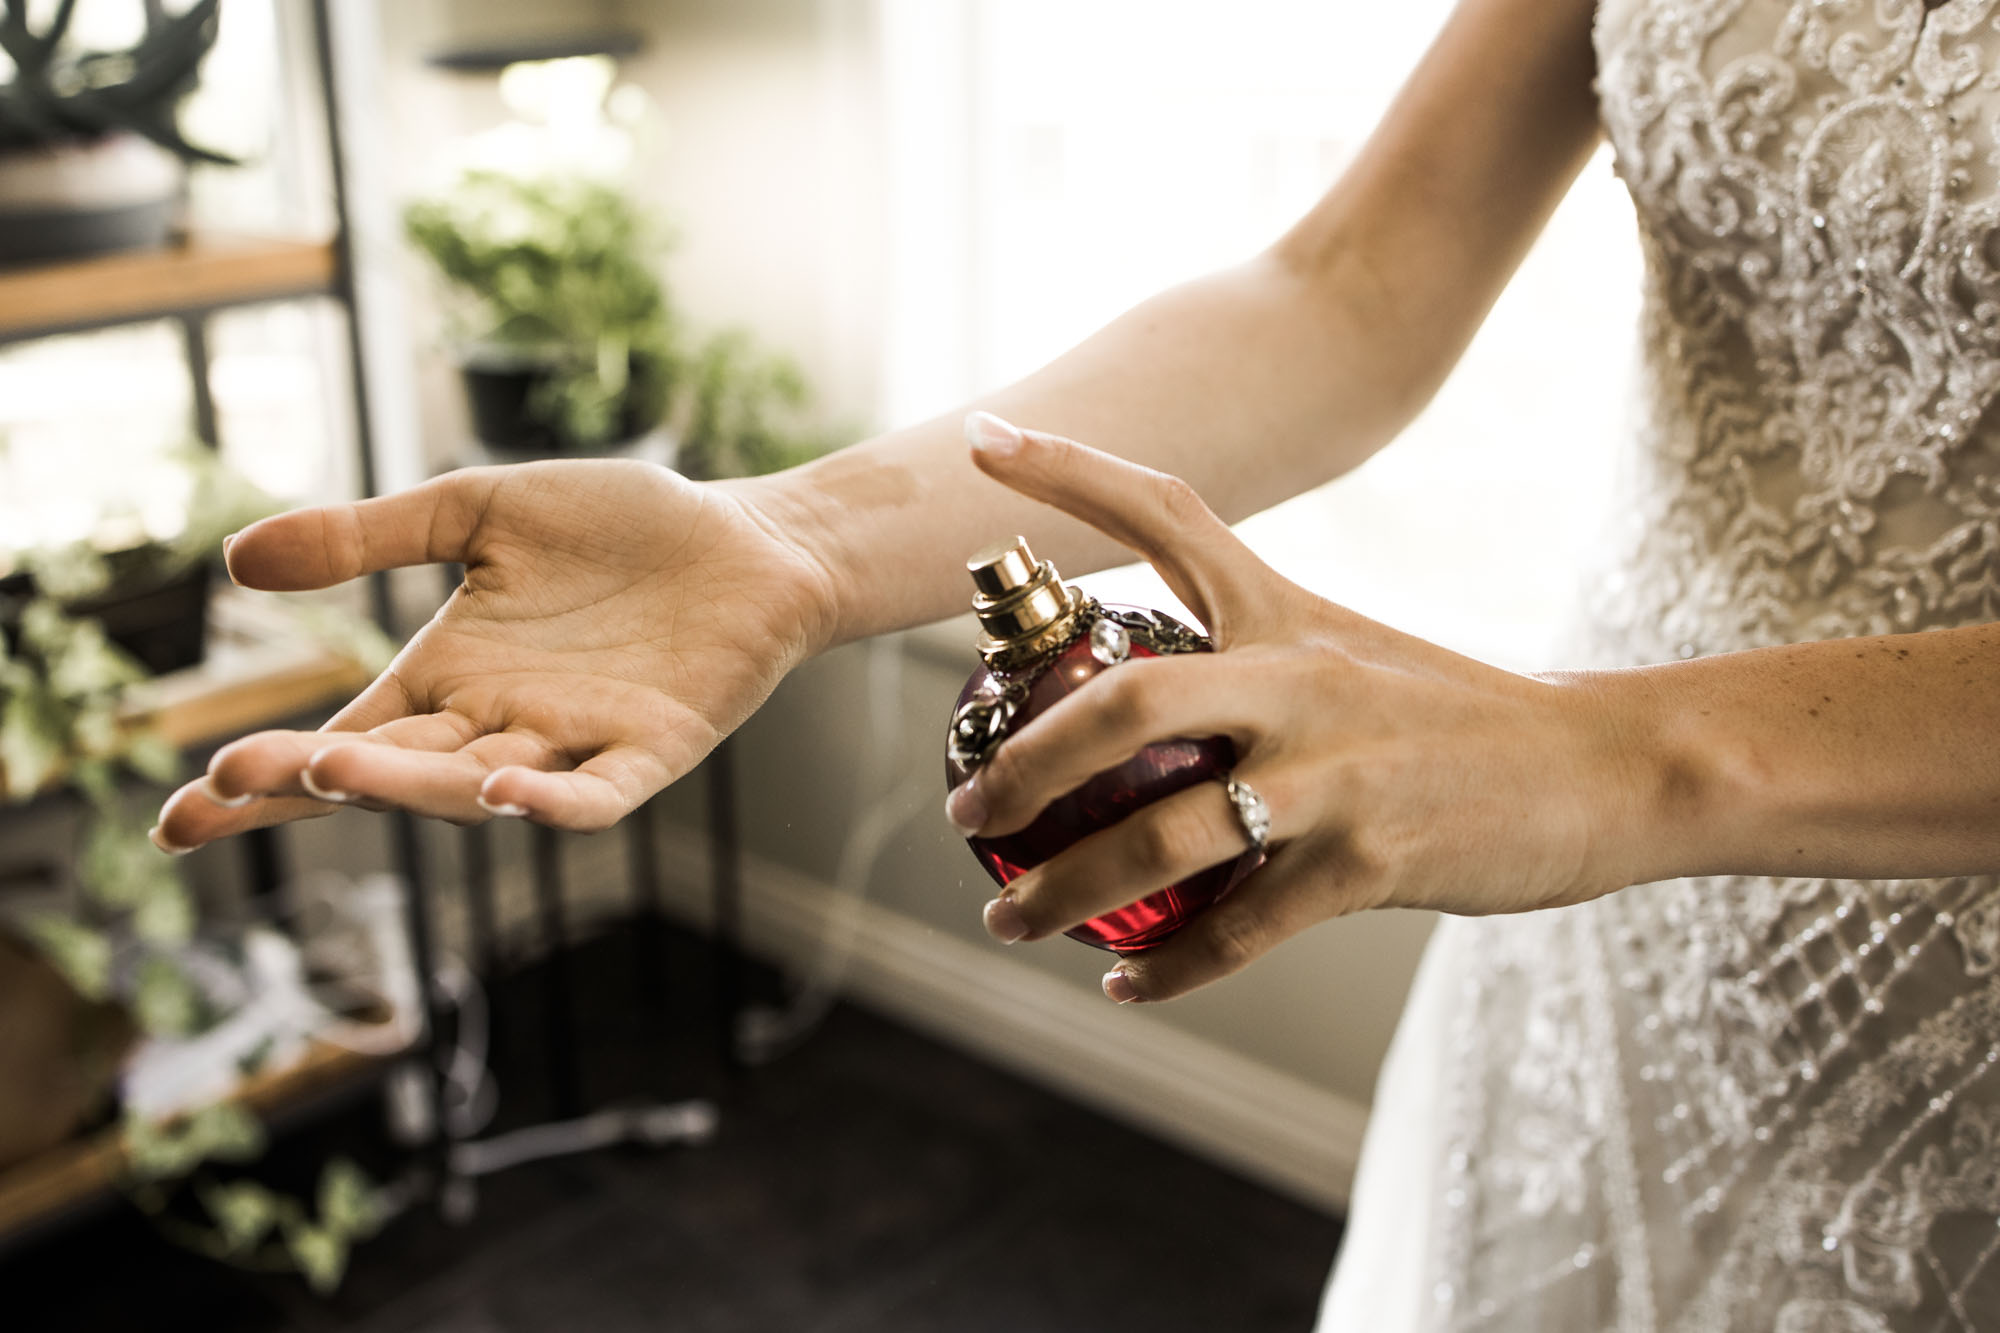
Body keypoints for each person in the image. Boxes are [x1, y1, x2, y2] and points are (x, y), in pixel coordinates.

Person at [154, 0, 2000, 1325]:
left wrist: (1631, 759)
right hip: (1627, 933)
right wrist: (801, 538)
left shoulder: (1625, 767)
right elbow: (1350, 289)